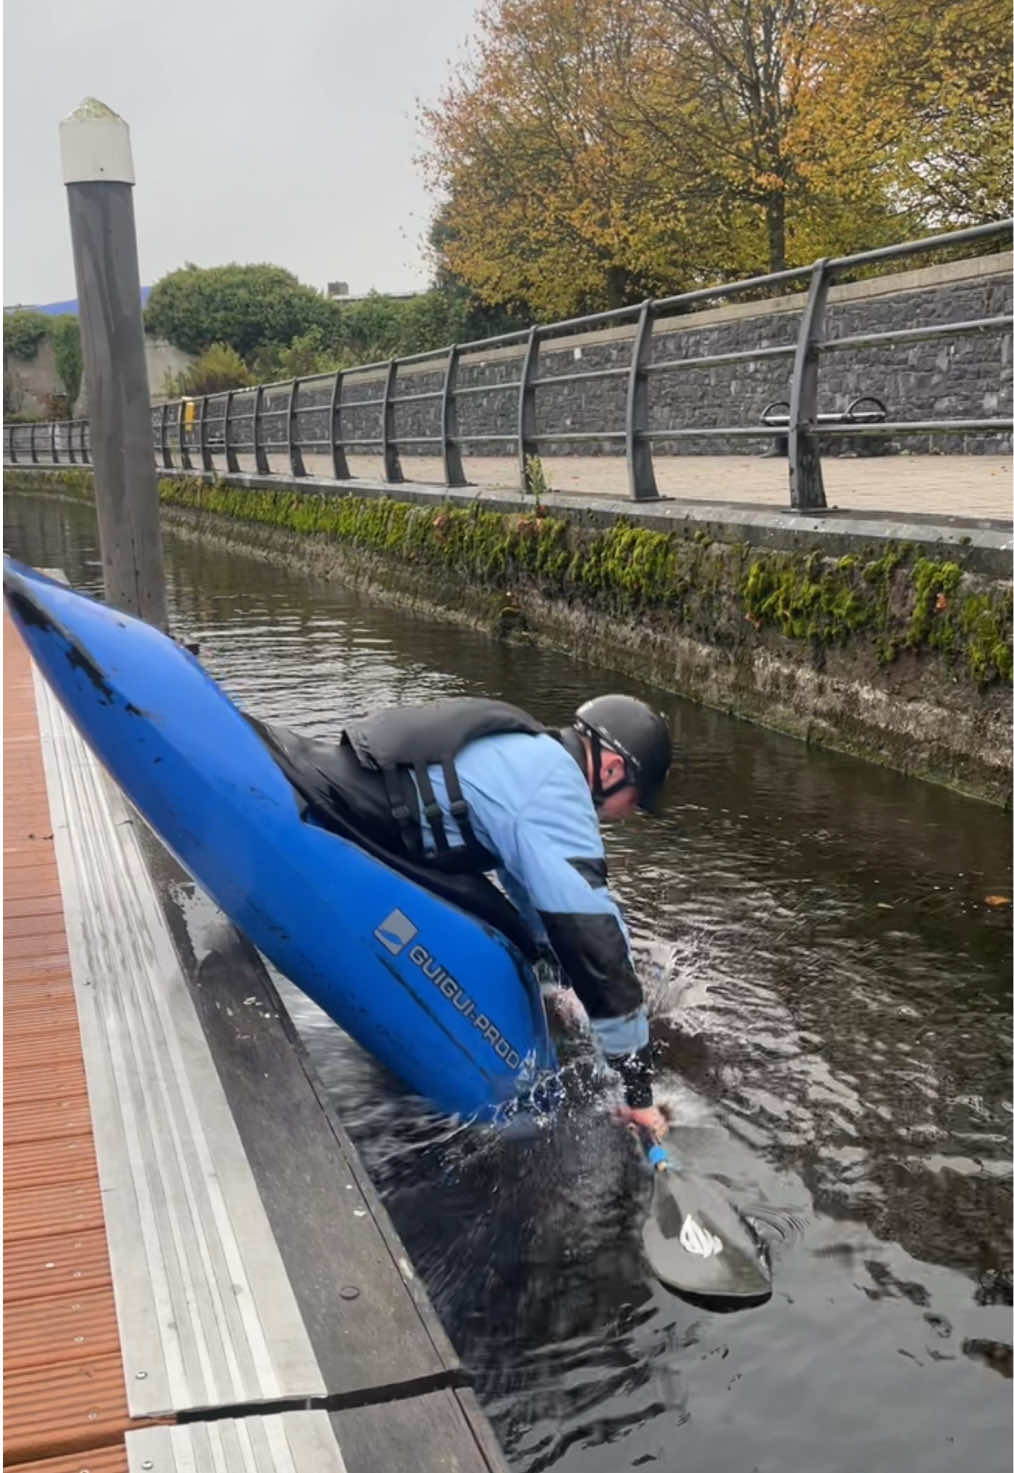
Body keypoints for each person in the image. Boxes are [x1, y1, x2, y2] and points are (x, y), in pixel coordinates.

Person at [259, 692, 672, 1138]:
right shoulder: (556, 788)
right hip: (344, 812)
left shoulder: (531, 755)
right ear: (611, 769)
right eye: (635, 799)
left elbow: (533, 898)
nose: (628, 814)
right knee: (507, 928)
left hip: (360, 805)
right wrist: (638, 1092)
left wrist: (556, 983)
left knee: (508, 922)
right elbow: (593, 938)